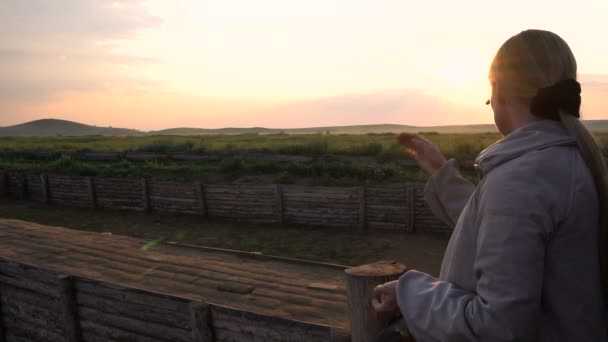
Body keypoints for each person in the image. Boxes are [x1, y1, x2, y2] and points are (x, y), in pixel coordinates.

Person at [372, 29, 608, 341]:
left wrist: (411, 295)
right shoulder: (574, 162)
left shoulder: (522, 178)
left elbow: (495, 328)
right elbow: (500, 228)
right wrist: (439, 170)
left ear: (500, 95)